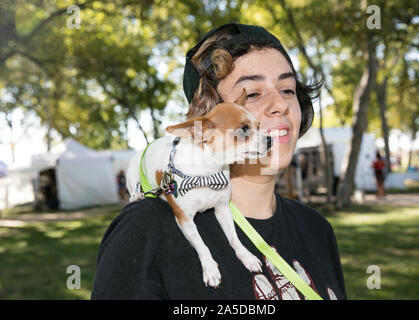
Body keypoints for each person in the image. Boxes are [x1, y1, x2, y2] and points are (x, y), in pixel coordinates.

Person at [91, 23, 346, 300]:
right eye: (252, 94)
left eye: (287, 89)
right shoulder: (144, 231)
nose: (280, 104)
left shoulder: (317, 229)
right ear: (205, 123)